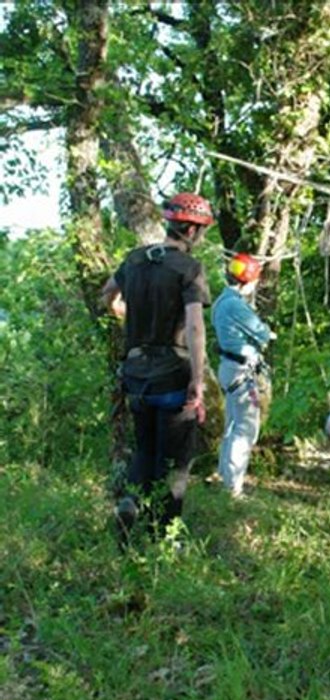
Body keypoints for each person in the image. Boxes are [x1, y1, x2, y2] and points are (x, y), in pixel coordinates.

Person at [101, 191, 214, 541]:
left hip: (136, 375)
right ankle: (166, 536)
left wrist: (128, 316)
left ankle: (131, 504)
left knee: (145, 449)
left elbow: (107, 295)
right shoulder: (189, 269)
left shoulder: (134, 261)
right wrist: (198, 380)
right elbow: (195, 326)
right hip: (172, 375)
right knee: (176, 461)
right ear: (193, 231)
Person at [212, 252, 273, 498]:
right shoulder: (236, 305)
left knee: (232, 425)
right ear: (248, 281)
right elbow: (263, 334)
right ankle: (233, 488)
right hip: (241, 371)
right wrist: (267, 331)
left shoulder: (222, 301)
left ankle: (225, 477)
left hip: (230, 367)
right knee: (245, 429)